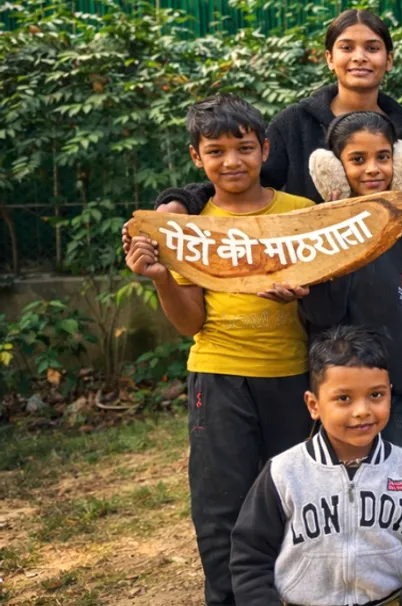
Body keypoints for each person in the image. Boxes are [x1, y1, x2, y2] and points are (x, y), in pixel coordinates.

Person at [123, 94, 315, 605]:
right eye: (216, 151)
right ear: (196, 158)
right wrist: (162, 276)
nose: (232, 162)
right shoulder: (187, 229)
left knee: (292, 496)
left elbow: (333, 298)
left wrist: (306, 296)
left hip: (292, 376)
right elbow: (190, 321)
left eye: (245, 148)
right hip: (219, 373)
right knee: (221, 503)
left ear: (265, 149)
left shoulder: (303, 216)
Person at [230, 325, 402, 605]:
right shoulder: (284, 473)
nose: (362, 410)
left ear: (390, 393)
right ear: (314, 405)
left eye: (376, 395)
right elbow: (250, 558)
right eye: (343, 398)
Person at [301, 110, 402, 447]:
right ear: (334, 170)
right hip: (340, 392)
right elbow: (321, 315)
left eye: (383, 157)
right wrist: (338, 230)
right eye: (358, 159)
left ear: (399, 162)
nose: (372, 169)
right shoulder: (320, 232)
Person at [262, 8, 402, 203]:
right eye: (347, 48)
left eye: (372, 48)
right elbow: (254, 188)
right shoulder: (293, 124)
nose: (359, 57)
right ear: (329, 59)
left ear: (388, 60)